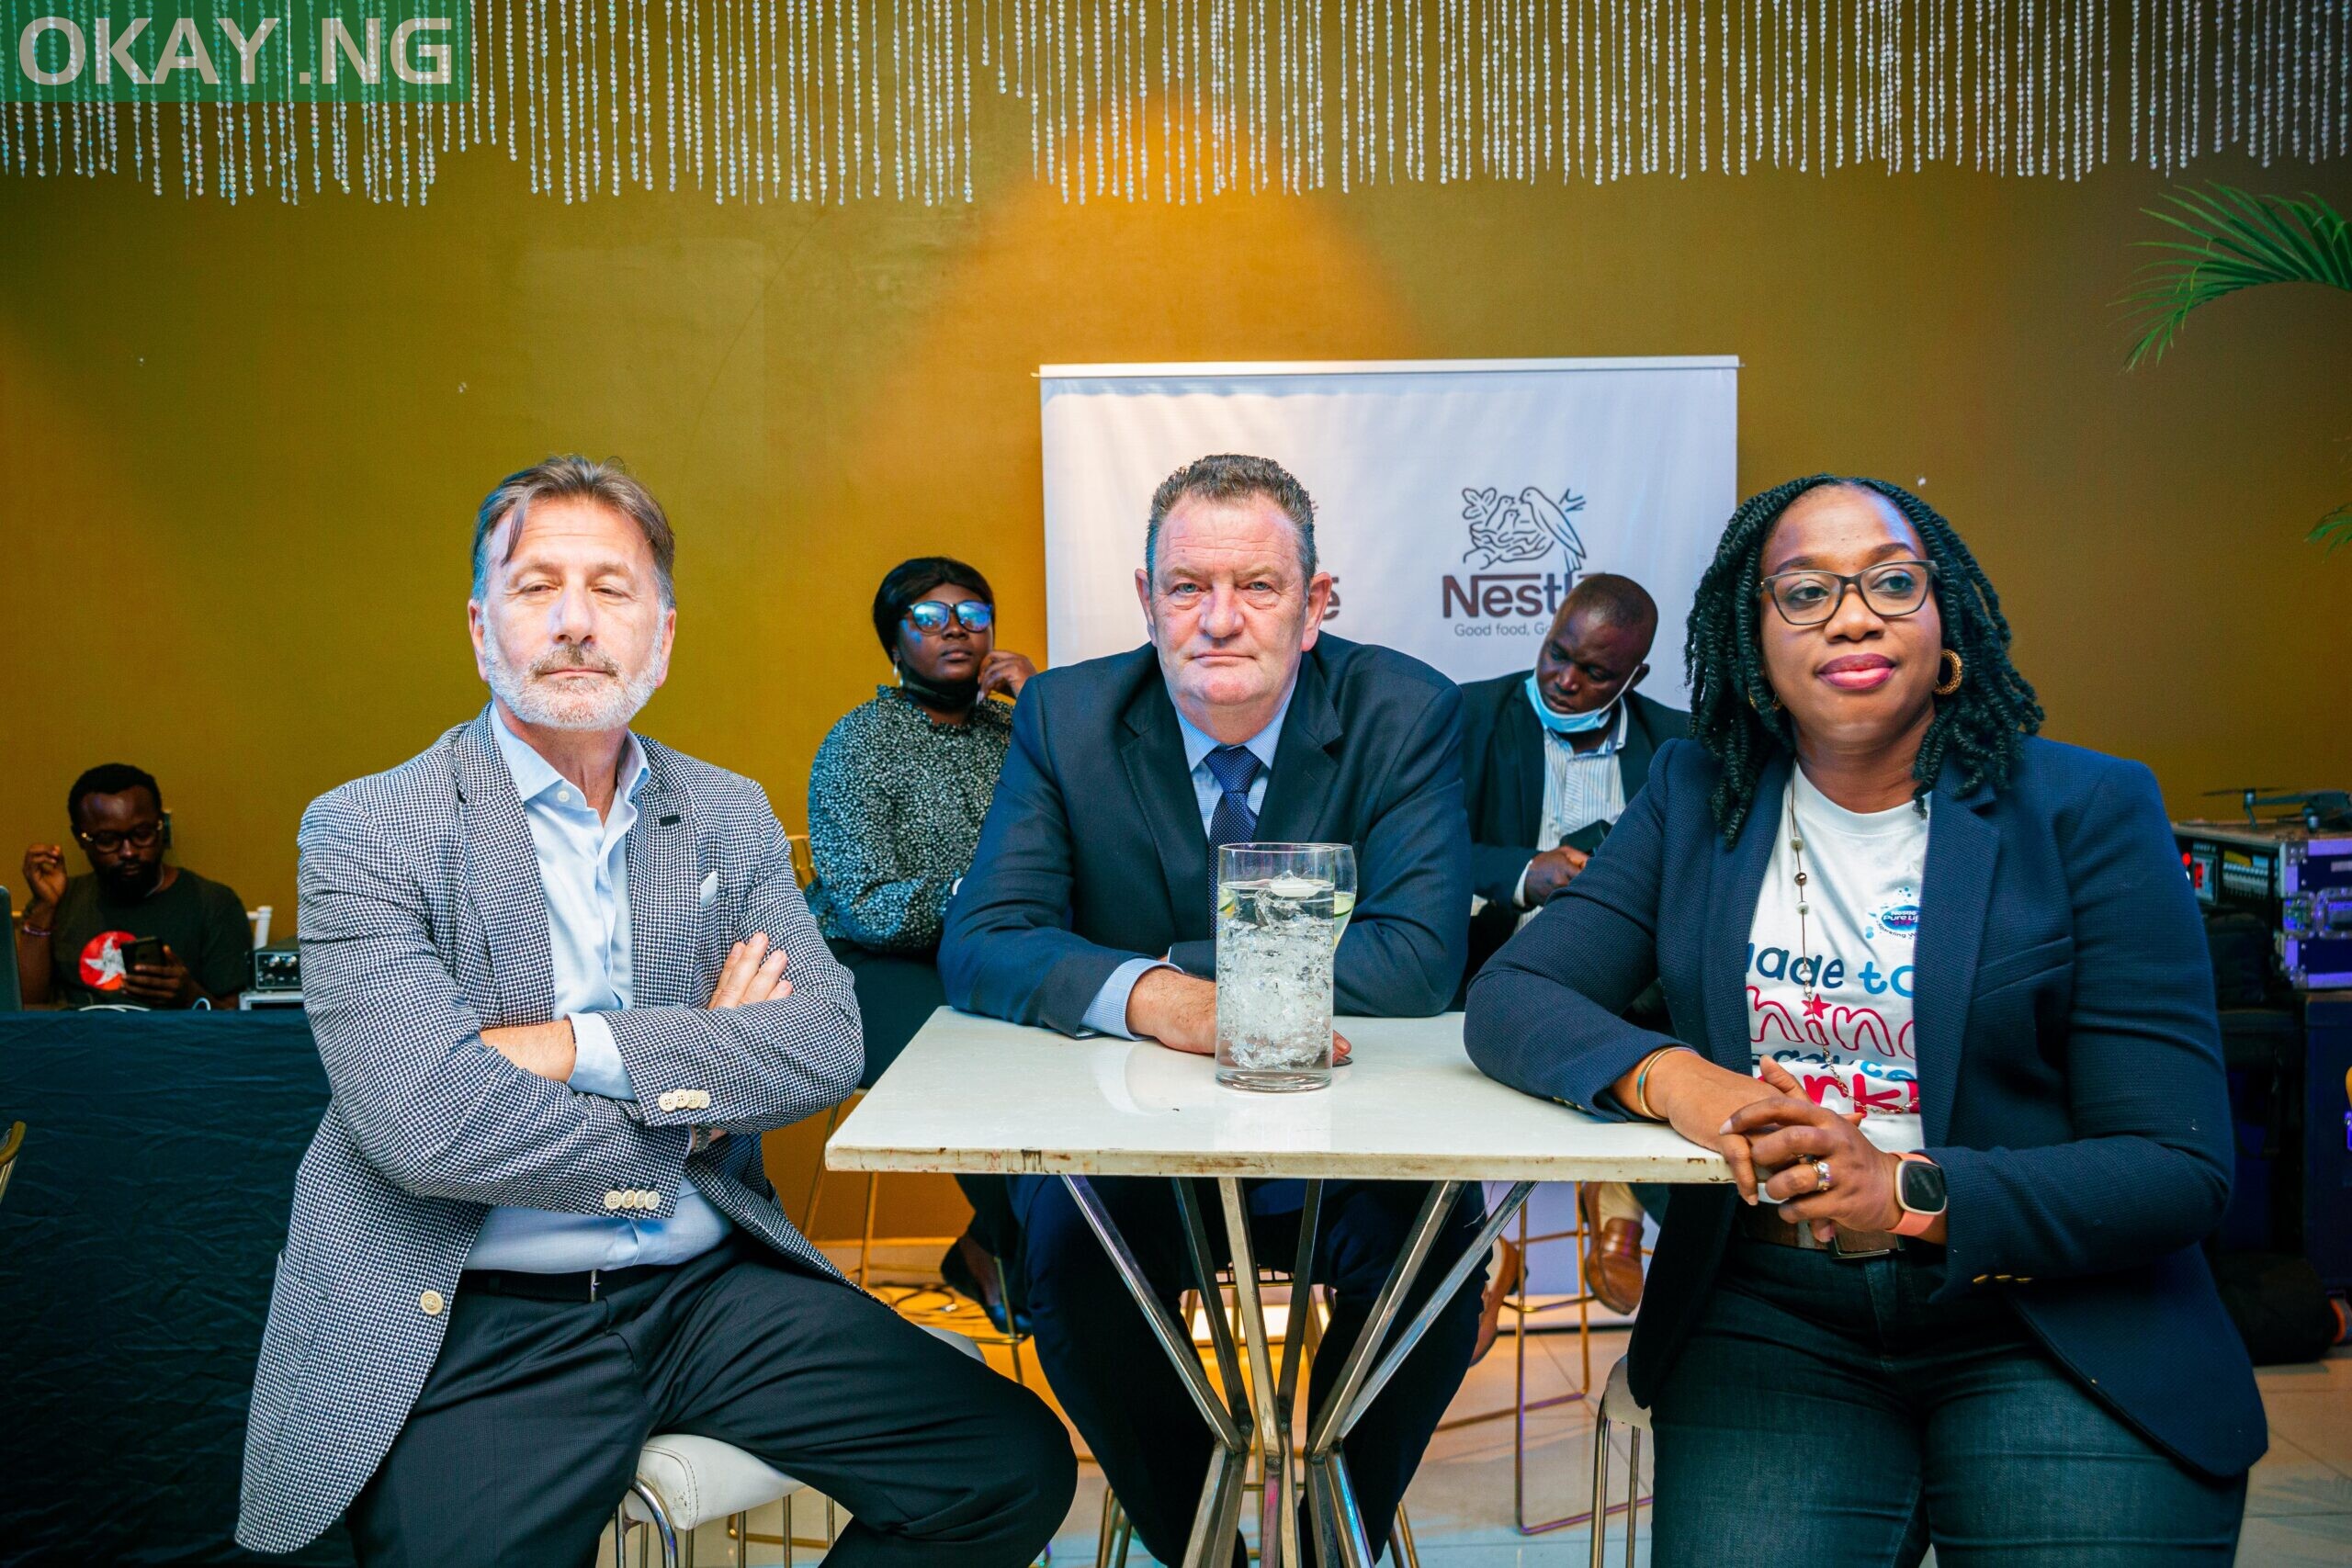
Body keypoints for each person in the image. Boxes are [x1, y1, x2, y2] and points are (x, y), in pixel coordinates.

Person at [236, 457, 1073, 1567]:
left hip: (708, 1286)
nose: (576, 622)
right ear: (483, 630)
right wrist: (699, 1092)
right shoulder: (368, 827)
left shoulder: (724, 813)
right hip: (484, 1309)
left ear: (663, 637)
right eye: (538, 587)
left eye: (612, 589)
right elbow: (425, 1121)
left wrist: (571, 1048)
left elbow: (824, 1041)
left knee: (1006, 1465)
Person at [1465, 475, 2261, 1565]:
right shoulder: (1698, 797)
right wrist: (1692, 1087)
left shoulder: (2084, 810)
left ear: (1947, 626)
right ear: (1753, 645)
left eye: (1892, 582)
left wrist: (1905, 1192)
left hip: (2052, 1315)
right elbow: (1516, 997)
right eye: (1803, 592)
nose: (1851, 613)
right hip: (1772, 1317)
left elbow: (2177, 1165)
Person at [941, 453, 1479, 1567]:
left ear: (1316, 605)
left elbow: (1420, 958)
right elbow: (985, 939)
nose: (1219, 621)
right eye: (1187, 588)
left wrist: (1167, 973)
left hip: (1351, 1130)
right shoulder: (1069, 715)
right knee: (1068, 1271)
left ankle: (1330, 1537)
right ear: (1146, 603)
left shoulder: (1402, 709)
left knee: (1437, 1267)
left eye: (1259, 588)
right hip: (1139, 1138)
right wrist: (1153, 1002)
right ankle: (1205, 1547)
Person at [807, 555, 1036, 1326]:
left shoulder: (1020, 732)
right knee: (976, 1058)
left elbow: (1103, 823)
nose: (956, 632)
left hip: (993, 955)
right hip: (873, 964)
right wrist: (979, 899)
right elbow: (867, 904)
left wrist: (1043, 706)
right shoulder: (858, 743)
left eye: (973, 615)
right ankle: (1039, 1255)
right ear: (893, 645)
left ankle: (994, 1243)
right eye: (930, 618)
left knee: (1082, 1046)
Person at [1458, 576, 1686, 1315]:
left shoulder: (1678, 747)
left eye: (1595, 673)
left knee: (1673, 1039)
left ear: (1635, 676)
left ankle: (1616, 1206)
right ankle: (1480, 1251)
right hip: (1487, 971)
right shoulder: (1465, 716)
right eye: (1558, 653)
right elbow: (1414, 852)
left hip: (1630, 994)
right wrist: (1524, 873)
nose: (1564, 679)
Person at [16, 763, 252, 1010]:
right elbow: (20, 1011)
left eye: (142, 834)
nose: (129, 852)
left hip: (171, 1044)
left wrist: (190, 996)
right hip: (78, 1044)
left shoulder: (213, 903)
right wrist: (45, 907)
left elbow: (238, 1025)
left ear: (162, 826)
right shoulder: (61, 900)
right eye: (108, 840)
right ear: (81, 839)